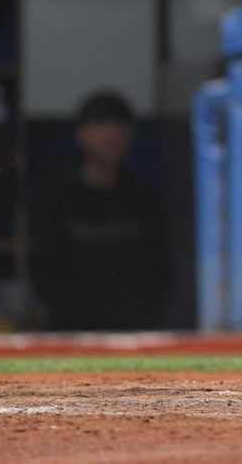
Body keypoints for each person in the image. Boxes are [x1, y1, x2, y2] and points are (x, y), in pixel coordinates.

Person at [30, 91, 170, 330]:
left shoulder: (143, 199)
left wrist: (143, 320)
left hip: (133, 331)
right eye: (101, 123)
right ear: (81, 133)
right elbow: (43, 268)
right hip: (70, 331)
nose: (112, 133)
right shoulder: (57, 197)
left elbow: (160, 270)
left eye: (120, 125)